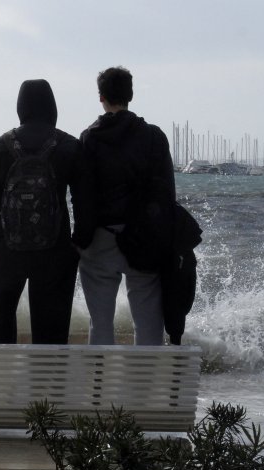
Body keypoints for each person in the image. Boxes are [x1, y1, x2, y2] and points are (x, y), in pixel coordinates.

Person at [0, 79, 94, 344]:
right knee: (51, 325)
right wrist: (79, 242)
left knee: (0, 318)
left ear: (21, 107)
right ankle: (48, 381)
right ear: (52, 107)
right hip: (55, 250)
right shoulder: (68, 145)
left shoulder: (2, 145)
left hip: (7, 248)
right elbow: (84, 199)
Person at [78, 66, 176, 345]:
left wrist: (80, 239)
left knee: (100, 323)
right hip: (144, 238)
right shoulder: (154, 137)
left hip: (102, 238)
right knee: (148, 324)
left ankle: (99, 385)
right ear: (130, 95)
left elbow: (84, 196)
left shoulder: (90, 138)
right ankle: (142, 384)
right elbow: (166, 193)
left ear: (101, 97)